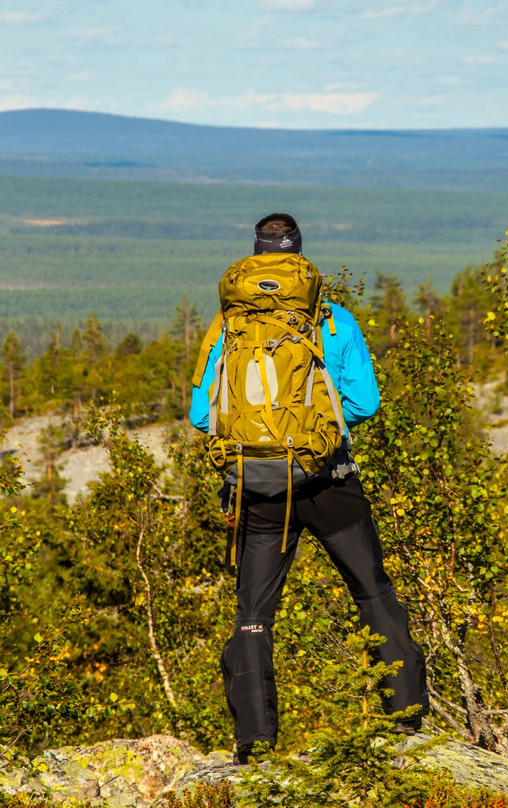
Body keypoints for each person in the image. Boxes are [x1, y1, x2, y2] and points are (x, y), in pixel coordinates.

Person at [189, 213, 429, 764]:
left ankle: (254, 743)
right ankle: (407, 722)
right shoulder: (333, 320)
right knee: (371, 591)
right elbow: (365, 403)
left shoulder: (227, 327)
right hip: (330, 483)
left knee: (254, 611)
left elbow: (203, 416)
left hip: (255, 487)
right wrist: (315, 429)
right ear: (300, 257)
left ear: (255, 256)